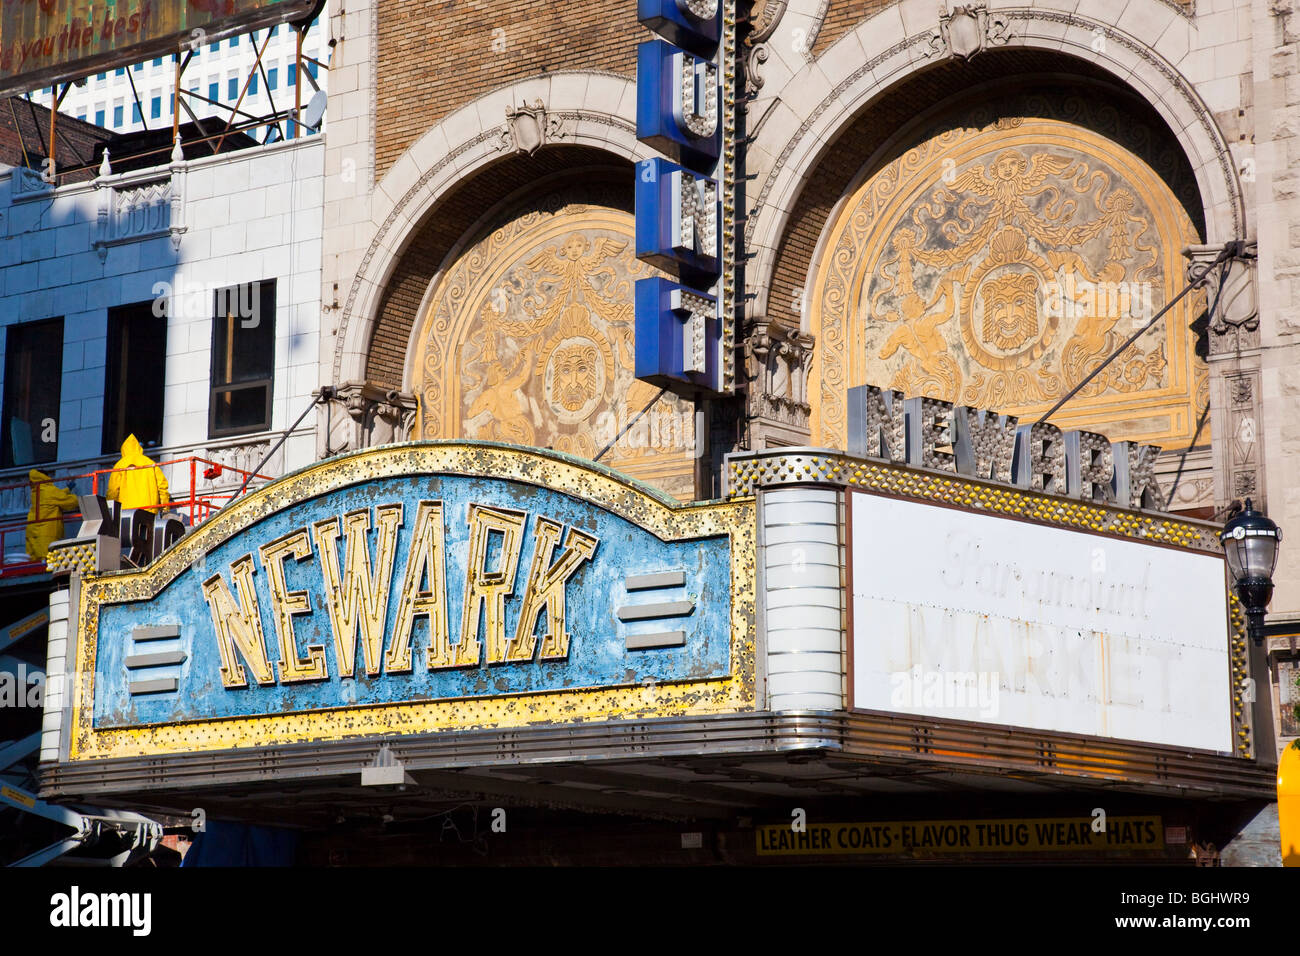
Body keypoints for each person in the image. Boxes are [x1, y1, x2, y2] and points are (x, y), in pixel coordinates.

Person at [25, 469, 80, 561]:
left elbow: (55, 497)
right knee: (48, 562)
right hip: (46, 533)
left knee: (35, 562)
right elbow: (70, 502)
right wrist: (81, 499)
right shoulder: (49, 490)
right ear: (45, 477)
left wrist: (68, 489)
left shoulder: (36, 490)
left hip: (33, 531)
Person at [107, 434, 170, 510]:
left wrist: (110, 510)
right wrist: (165, 508)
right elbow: (162, 487)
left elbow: (113, 491)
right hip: (150, 509)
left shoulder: (120, 465)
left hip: (127, 511)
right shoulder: (150, 463)